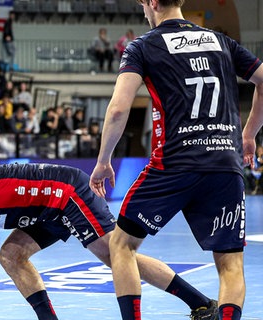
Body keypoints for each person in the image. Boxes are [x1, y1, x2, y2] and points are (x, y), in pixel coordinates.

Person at [0, 152, 217, 320]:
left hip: (67, 193)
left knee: (117, 256)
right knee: (11, 255)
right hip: (45, 211)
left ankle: (201, 304)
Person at [88, 1, 263, 319]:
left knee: (122, 245)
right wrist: (249, 134)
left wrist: (103, 160)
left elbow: (117, 109)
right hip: (224, 163)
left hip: (173, 164)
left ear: (153, 3)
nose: (143, 10)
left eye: (142, 3)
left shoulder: (143, 46)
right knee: (230, 264)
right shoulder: (221, 42)